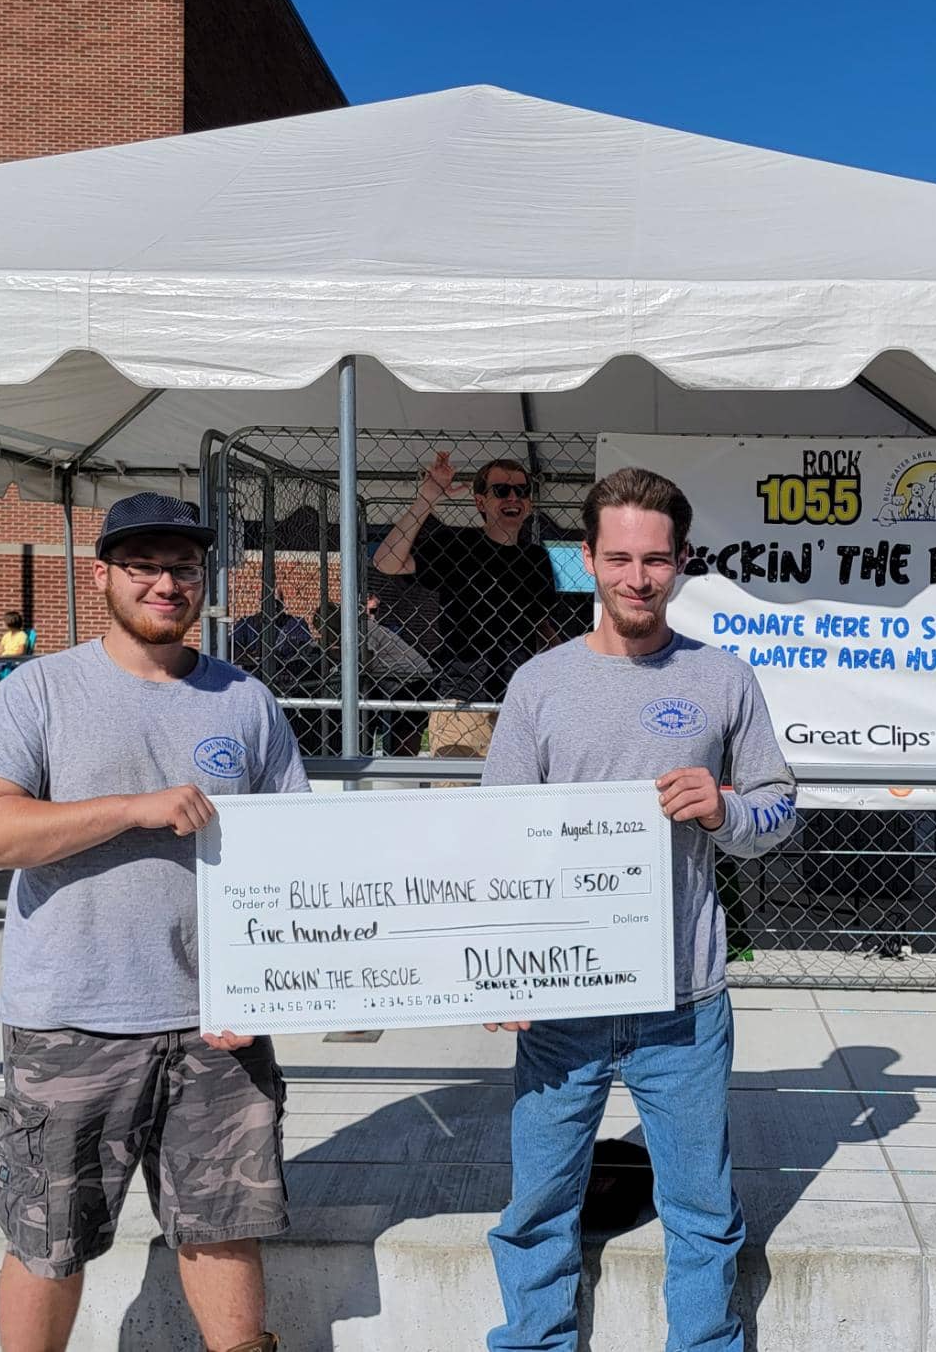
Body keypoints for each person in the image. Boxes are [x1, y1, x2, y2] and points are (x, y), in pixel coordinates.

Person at [0, 492, 307, 1352]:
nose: (165, 584)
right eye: (143, 566)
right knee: (49, 1240)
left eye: (182, 568)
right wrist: (132, 808)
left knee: (226, 1226)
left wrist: (267, 990)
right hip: (72, 1023)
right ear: (102, 575)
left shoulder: (244, 700)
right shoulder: (42, 690)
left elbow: (291, 853)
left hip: (215, 1025)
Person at [480, 466, 799, 1352]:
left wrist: (726, 810)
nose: (637, 577)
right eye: (618, 558)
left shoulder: (723, 679)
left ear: (682, 560)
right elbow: (497, 839)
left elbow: (778, 809)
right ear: (586, 558)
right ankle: (534, 1342)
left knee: (702, 1211)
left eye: (655, 559)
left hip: (683, 1005)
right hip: (562, 1003)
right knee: (538, 1208)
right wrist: (500, 966)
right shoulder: (539, 683)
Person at [370, 451, 559, 708]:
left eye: (522, 491)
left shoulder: (536, 558)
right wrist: (427, 499)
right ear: (480, 502)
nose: (513, 497)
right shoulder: (458, 545)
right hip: (462, 696)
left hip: (520, 696)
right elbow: (386, 561)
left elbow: (541, 625)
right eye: (501, 490)